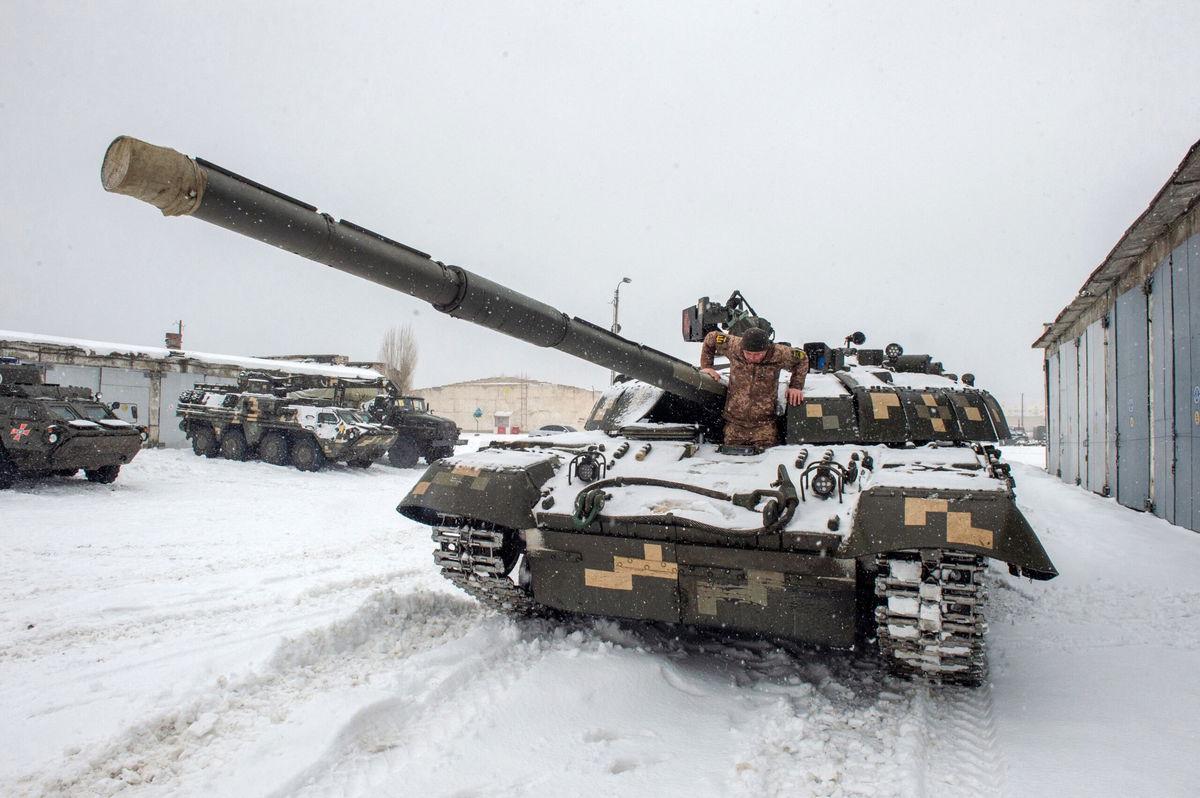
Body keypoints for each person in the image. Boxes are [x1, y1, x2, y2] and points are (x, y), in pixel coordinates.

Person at [700, 326, 807, 448]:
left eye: (758, 354)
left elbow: (802, 358)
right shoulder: (734, 345)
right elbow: (711, 337)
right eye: (748, 353)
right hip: (735, 424)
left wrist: (796, 386)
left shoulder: (779, 353)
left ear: (767, 349)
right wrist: (707, 367)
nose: (752, 358)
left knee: (766, 457)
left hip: (764, 425)